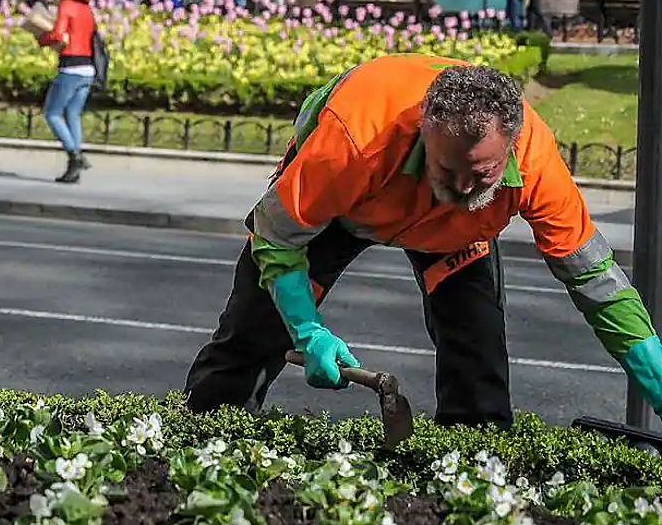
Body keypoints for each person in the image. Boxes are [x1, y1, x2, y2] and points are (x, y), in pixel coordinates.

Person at [184, 55, 662, 428]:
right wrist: (308, 331)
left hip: (458, 236)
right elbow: (277, 238)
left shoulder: (537, 160)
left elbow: (595, 279)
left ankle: (475, 477)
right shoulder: (354, 140)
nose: (462, 188)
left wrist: (657, 378)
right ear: (423, 132)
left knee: (478, 357)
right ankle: (204, 446)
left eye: (482, 173)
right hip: (342, 213)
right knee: (253, 335)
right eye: (447, 169)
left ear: (512, 147)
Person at [37, 0, 97, 184]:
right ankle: (74, 170)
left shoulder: (67, 5)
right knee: (73, 114)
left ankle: (75, 156)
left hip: (70, 66)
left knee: (52, 113)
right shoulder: (87, 9)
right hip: (88, 67)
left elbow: (58, 34)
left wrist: (42, 39)